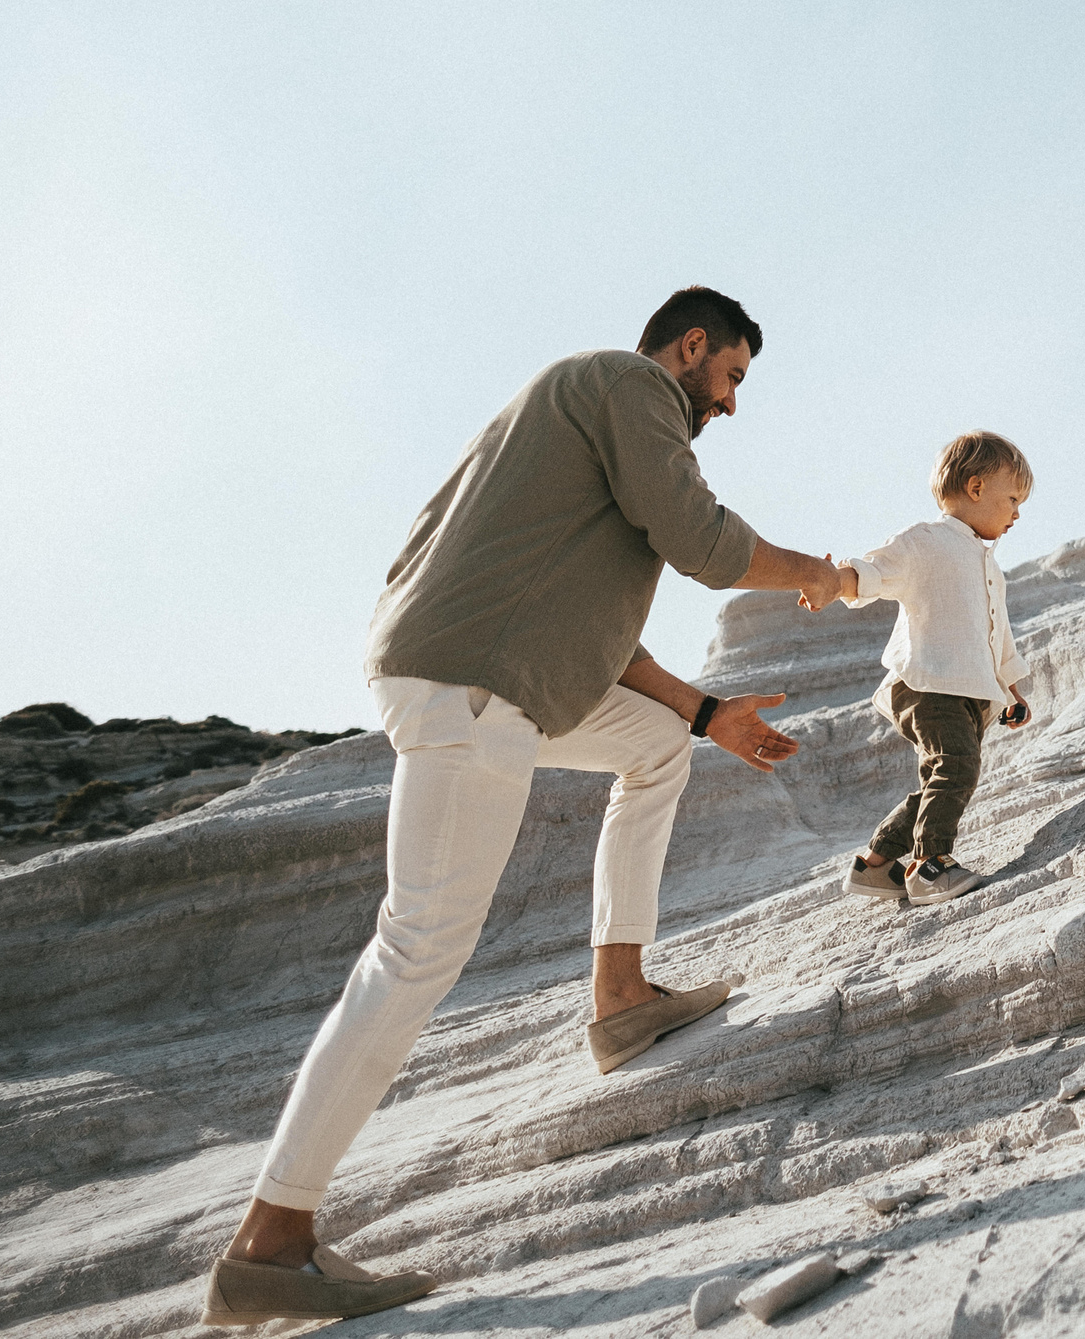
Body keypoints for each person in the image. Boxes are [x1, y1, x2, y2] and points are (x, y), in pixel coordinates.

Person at [201, 285, 848, 1328]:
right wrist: (811, 573)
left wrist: (707, 712)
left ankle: (621, 997)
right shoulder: (629, 384)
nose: (730, 404)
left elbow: (599, 638)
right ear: (690, 347)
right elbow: (702, 542)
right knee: (414, 950)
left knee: (652, 750)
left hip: (492, 669)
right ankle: (272, 1242)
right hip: (478, 682)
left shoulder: (569, 419)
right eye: (730, 376)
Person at [832, 432, 1034, 908]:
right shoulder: (928, 541)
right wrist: (836, 582)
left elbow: (997, 636)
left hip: (966, 691)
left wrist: (1011, 689)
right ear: (977, 487)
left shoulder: (990, 568)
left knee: (942, 778)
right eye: (1013, 499)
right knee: (957, 767)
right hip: (927, 684)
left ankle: (876, 866)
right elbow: (878, 569)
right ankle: (929, 866)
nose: (1017, 514)